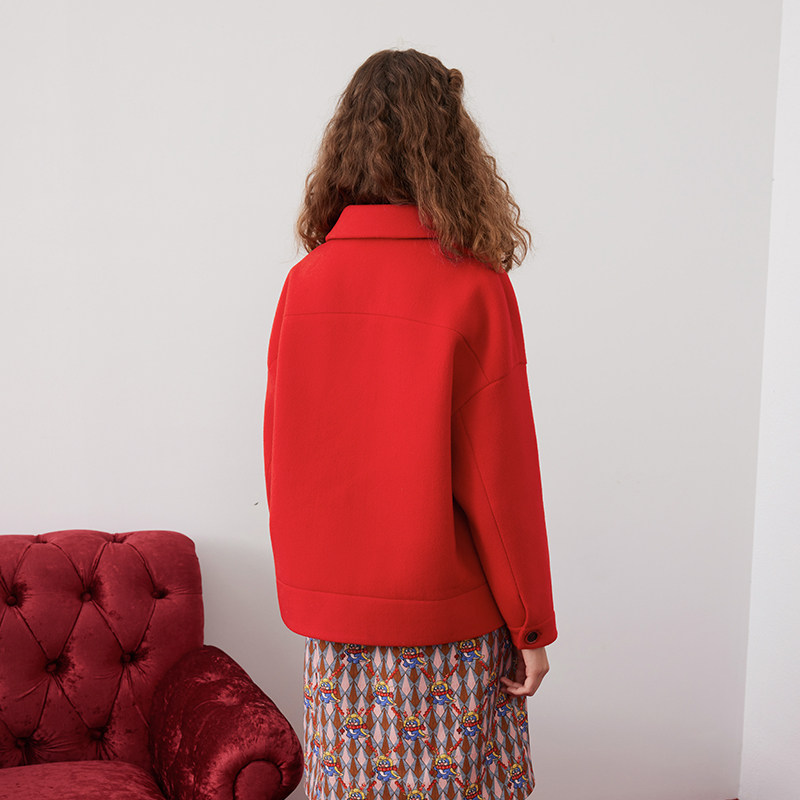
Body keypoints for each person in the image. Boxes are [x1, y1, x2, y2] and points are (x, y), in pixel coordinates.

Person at [263, 48, 557, 800]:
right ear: (450, 149)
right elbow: (500, 479)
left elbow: (284, 457)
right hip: (446, 628)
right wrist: (530, 624)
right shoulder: (476, 288)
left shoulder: (304, 286)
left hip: (337, 639)